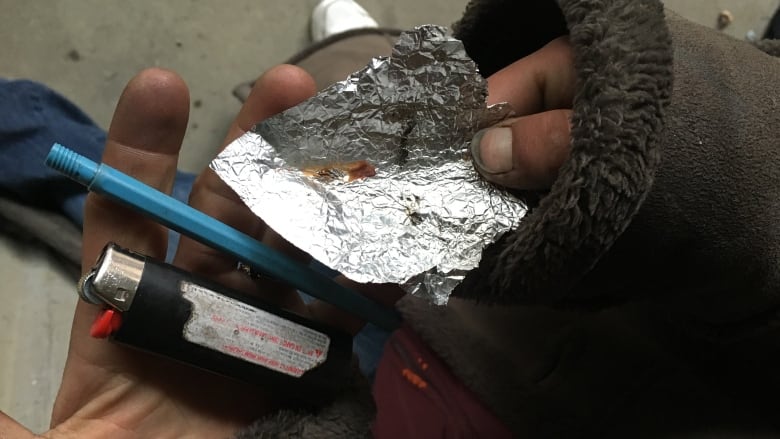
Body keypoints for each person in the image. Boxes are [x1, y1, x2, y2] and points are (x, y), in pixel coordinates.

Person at [1, 0, 779, 437]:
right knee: (281, 176)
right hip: (460, 308)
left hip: (341, 372)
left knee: (326, 93)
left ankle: (350, 39)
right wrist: (662, 146)